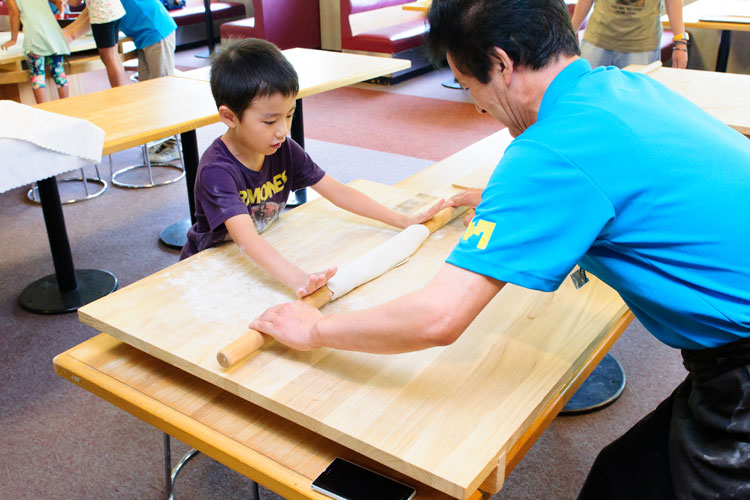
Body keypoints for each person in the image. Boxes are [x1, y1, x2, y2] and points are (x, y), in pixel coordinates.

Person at [250, 0, 750, 498]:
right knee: (621, 479)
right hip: (726, 347)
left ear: (502, 64)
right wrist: (501, 203)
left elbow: (437, 318)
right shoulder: (623, 85)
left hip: (741, 366)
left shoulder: (547, 153)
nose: (476, 106)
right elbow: (614, 174)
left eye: (470, 86)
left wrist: (314, 329)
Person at [181, 39, 444, 298]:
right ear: (229, 117)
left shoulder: (282, 148)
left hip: (254, 251)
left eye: (289, 114)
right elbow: (246, 240)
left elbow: (337, 191)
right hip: (208, 263)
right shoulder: (217, 171)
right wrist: (298, 279)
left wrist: (402, 220)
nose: (283, 130)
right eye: (270, 120)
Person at [64, 0, 178, 160]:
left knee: (161, 91)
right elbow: (89, 12)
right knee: (149, 95)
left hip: (156, 30)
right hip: (144, 35)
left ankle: (172, 145)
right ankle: (158, 141)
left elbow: (78, 5)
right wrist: (67, 32)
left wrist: (69, 33)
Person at [571, 0, 689, 69]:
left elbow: (673, 2)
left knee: (635, 101)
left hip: (641, 45)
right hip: (597, 39)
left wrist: (680, 43)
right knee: (589, 95)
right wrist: (570, 31)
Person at [1, 0, 70, 103]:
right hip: (54, 36)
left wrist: (13, 39)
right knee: (59, 74)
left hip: (35, 38)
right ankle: (67, 105)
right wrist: (60, 7)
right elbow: (57, 2)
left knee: (38, 77)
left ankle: (43, 109)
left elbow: (14, 13)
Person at [64, 0, 128, 87]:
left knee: (109, 58)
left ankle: (118, 91)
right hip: (113, 10)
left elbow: (76, 2)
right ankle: (121, 90)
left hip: (102, 15)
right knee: (114, 57)